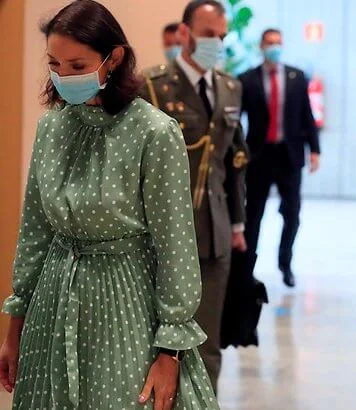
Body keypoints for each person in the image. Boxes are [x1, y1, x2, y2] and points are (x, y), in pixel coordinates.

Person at [0, 1, 219, 409]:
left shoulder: (154, 133)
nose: (63, 76)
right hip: (51, 302)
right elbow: (34, 233)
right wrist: (15, 329)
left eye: (77, 64)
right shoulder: (52, 128)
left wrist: (169, 351)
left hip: (123, 308)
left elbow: (175, 248)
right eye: (55, 64)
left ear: (113, 59)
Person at [139, 0, 248, 393]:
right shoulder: (151, 85)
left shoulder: (230, 87)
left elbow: (235, 161)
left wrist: (237, 224)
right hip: (163, 236)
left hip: (216, 233)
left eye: (221, 37)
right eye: (207, 35)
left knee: (208, 345)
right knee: (157, 346)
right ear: (184, 33)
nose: (215, 44)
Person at [239, 29, 321, 288]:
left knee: (292, 214)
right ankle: (247, 269)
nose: (274, 47)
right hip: (259, 156)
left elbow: (306, 116)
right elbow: (235, 120)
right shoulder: (247, 80)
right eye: (269, 43)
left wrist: (315, 150)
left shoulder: (296, 77)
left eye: (278, 43)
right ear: (261, 46)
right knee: (253, 215)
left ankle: (285, 265)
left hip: (289, 155)